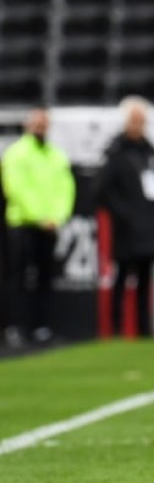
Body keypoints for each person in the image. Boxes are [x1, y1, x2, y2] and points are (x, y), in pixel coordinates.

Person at [96, 96, 154, 339]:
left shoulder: (151, 152)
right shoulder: (116, 153)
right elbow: (103, 191)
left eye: (142, 121)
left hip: (149, 228)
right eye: (135, 121)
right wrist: (124, 215)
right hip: (127, 230)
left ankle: (144, 330)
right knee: (122, 278)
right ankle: (116, 330)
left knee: (145, 281)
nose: (138, 126)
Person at [1, 108, 76, 348]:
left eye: (44, 124)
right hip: (22, 224)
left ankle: (41, 328)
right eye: (37, 123)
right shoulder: (16, 153)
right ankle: (14, 328)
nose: (41, 128)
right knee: (18, 279)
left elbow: (66, 188)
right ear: (28, 125)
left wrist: (58, 216)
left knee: (45, 278)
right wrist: (40, 216)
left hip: (50, 226)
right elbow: (16, 189)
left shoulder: (56, 155)